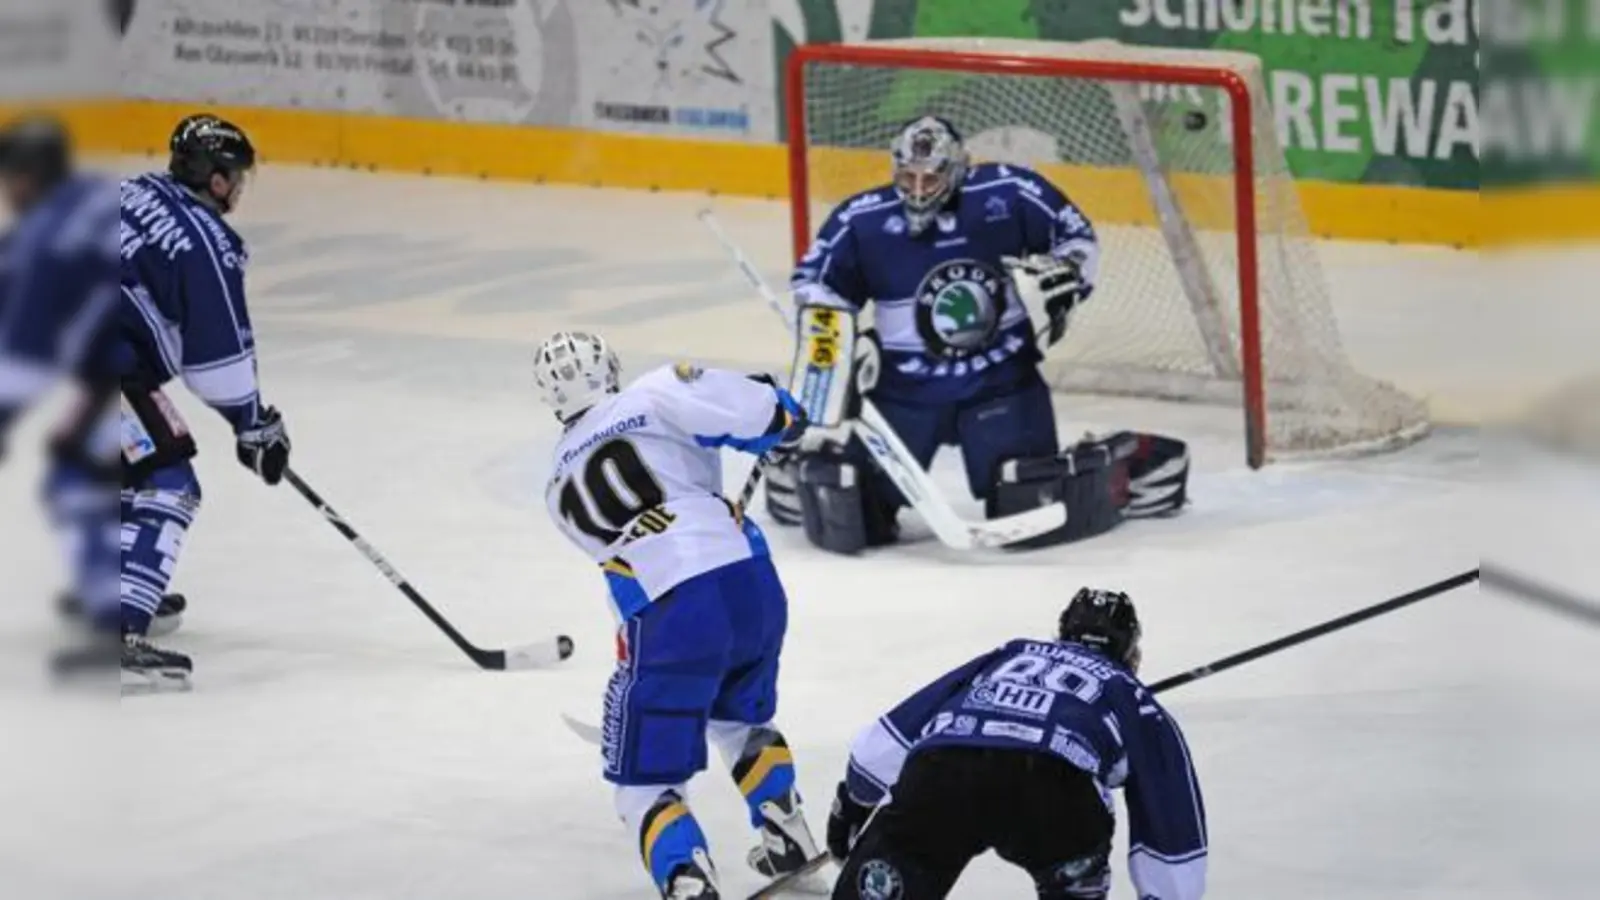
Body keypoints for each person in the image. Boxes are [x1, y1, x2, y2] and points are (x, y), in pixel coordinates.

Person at [770, 116, 1188, 554]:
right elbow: (813, 283)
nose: (917, 189)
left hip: (1001, 386)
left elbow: (1077, 239)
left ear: (957, 169)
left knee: (1029, 497)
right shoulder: (863, 218)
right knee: (850, 513)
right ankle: (798, 474)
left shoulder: (1008, 192)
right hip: (904, 393)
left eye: (930, 177)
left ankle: (1128, 463)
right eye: (907, 176)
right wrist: (841, 339)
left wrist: (1063, 274)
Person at [535, 332, 824, 900]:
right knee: (738, 717)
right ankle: (788, 832)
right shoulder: (653, 392)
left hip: (669, 612)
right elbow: (770, 413)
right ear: (611, 367)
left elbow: (626, 555)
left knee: (642, 781)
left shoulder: (555, 486)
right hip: (749, 584)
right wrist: (783, 413)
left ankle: (688, 881)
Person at [827, 588, 1207, 900]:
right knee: (1073, 871)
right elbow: (1168, 802)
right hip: (1055, 793)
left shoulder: (1012, 653)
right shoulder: (1130, 693)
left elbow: (908, 719)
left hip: (947, 772)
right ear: (1132, 655)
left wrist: (857, 796)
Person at [117, 113, 291, 690]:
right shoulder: (206, 243)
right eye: (235, 175)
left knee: (125, 463)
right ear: (215, 179)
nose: (239, 186)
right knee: (169, 483)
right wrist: (253, 423)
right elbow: (217, 358)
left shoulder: (136, 190)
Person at [0, 114, 122, 672]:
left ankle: (115, 615)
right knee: (84, 468)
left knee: (76, 478)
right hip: (151, 361)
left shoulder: (44, 241)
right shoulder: (94, 195)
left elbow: (32, 356)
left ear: (34, 174)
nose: (8, 189)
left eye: (13, 177)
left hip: (124, 377)